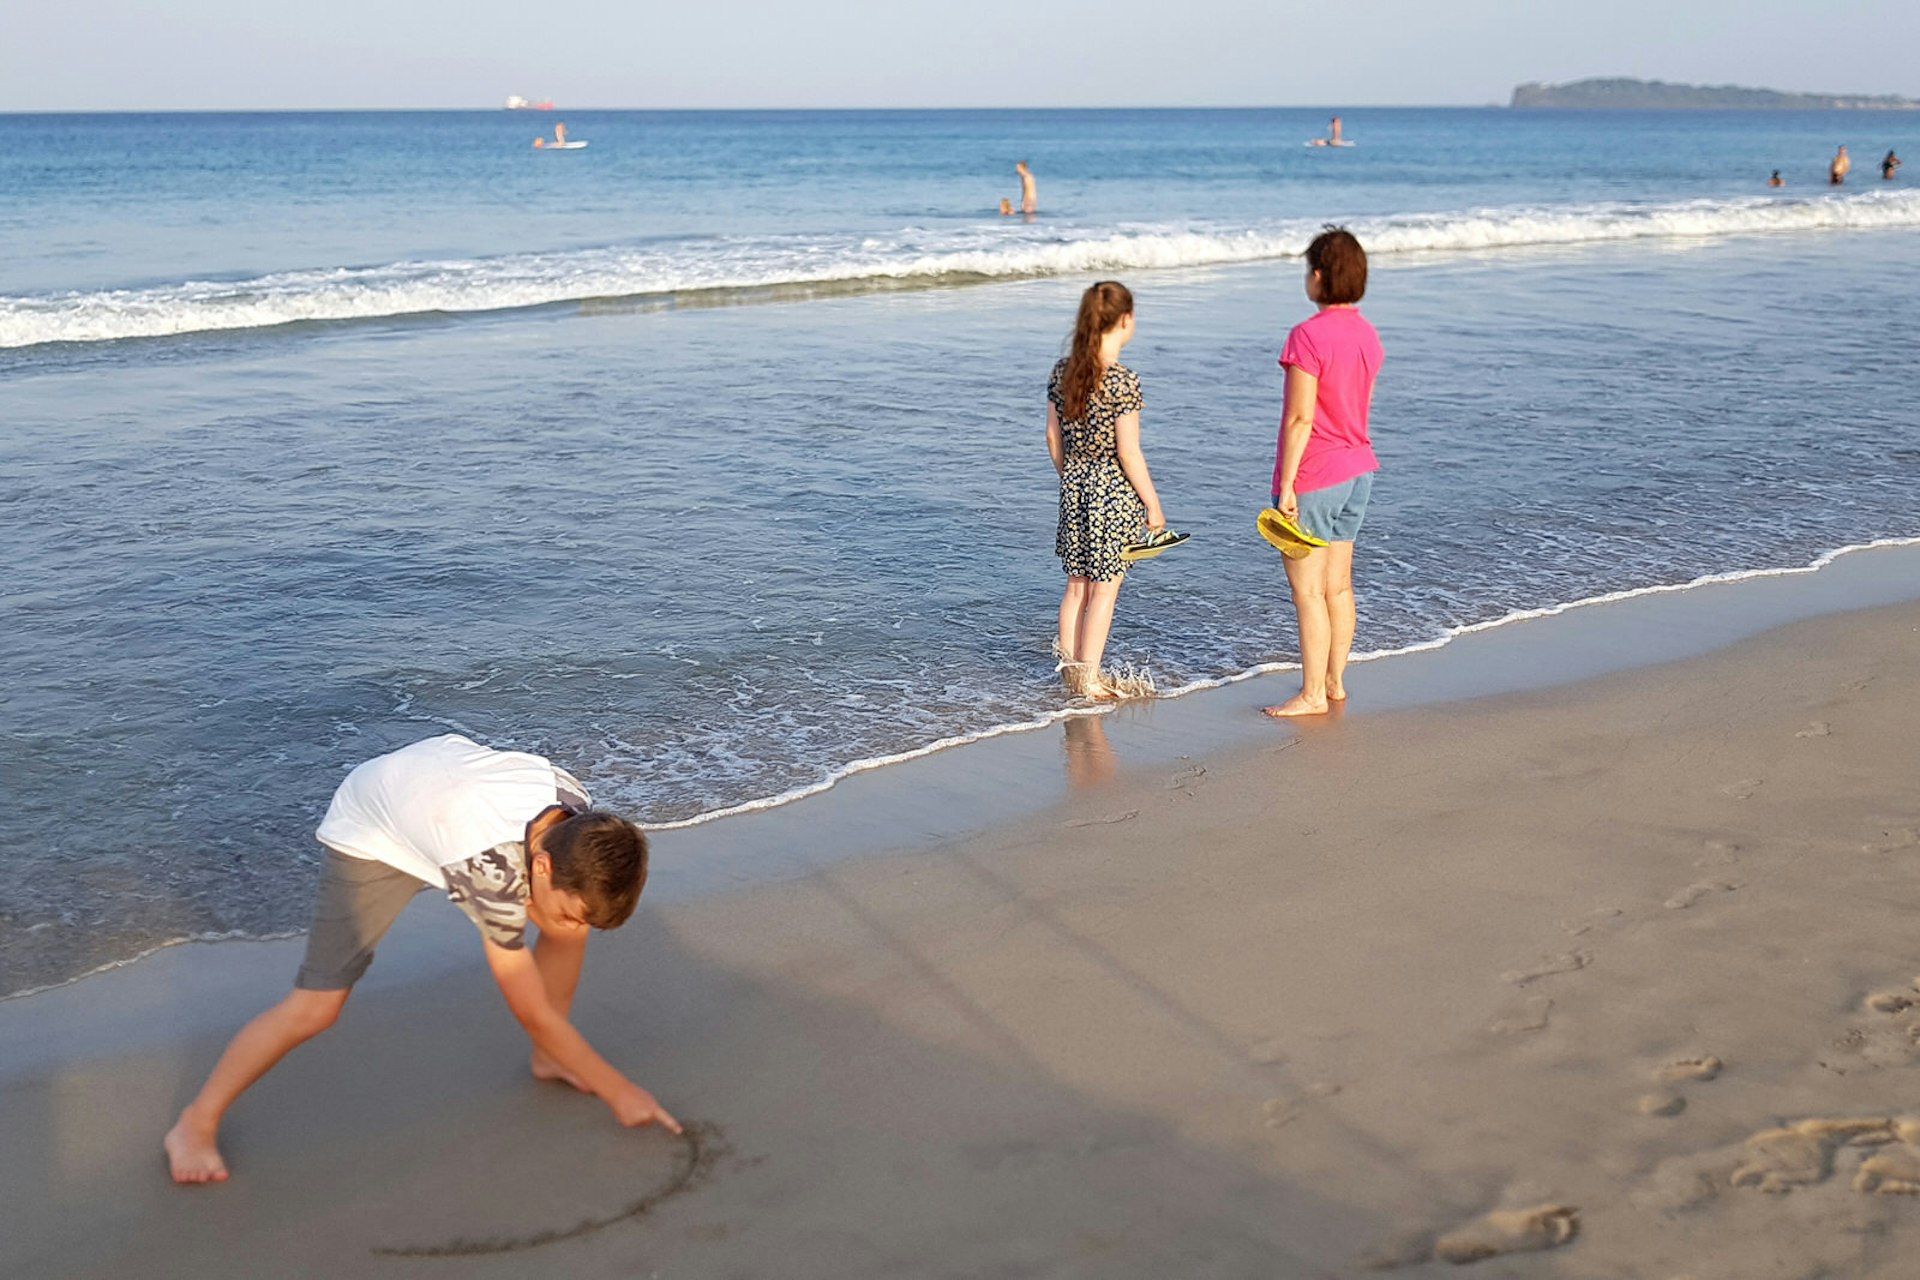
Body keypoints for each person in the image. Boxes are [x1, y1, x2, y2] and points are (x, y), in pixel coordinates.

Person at [163, 733, 680, 1184]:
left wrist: (569, 921)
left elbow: (563, 910)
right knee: (316, 1007)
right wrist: (620, 1091)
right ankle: (195, 1122)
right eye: (571, 910)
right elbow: (527, 1006)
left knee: (568, 932)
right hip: (374, 828)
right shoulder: (488, 869)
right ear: (542, 866)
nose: (574, 922)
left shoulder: (578, 816)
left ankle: (550, 1058)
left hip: (436, 795)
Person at [1263, 228, 1384, 719]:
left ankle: (1311, 693)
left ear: (1318, 276)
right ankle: (1334, 682)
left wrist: (1288, 484)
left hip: (1317, 473)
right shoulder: (1368, 334)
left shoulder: (1307, 335)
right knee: (1339, 586)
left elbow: (1300, 418)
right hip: (1359, 470)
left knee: (1308, 591)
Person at [1047, 281, 1171, 699]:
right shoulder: (1122, 381)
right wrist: (1153, 505)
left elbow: (1051, 437)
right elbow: (1129, 452)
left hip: (1074, 486)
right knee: (1104, 588)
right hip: (1112, 491)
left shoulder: (1063, 372)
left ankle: (1069, 670)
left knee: (1076, 584)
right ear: (1126, 321)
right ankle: (1091, 679)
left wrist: (1071, 477)